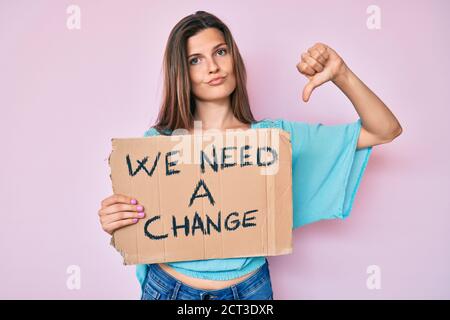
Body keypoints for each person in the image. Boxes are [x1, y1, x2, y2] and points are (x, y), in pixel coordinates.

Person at [98, 11, 402, 300]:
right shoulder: (158, 145)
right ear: (182, 72)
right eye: (195, 60)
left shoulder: (275, 139)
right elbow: (138, 226)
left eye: (220, 52)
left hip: (249, 292)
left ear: (233, 57)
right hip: (170, 289)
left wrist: (342, 74)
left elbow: (384, 130)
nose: (213, 67)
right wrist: (115, 219)